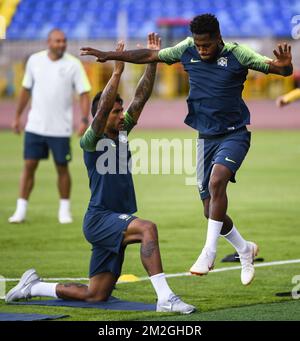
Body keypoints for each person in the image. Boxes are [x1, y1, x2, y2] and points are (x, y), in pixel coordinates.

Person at [80, 13, 293, 285]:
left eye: (207, 45)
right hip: (205, 138)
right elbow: (150, 55)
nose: (202, 50)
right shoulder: (186, 49)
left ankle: (209, 252)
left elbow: (279, 69)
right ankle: (244, 249)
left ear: (218, 39)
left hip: (235, 134)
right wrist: (111, 55)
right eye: (198, 45)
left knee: (218, 182)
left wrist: (285, 67)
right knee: (209, 209)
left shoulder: (239, 54)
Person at [6, 35, 196, 314]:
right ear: (101, 115)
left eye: (121, 111)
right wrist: (116, 72)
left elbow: (141, 97)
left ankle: (33, 287)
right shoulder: (90, 140)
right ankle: (166, 298)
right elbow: (103, 106)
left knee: (96, 295)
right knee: (147, 229)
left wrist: (153, 62)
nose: (121, 115)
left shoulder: (121, 133)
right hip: (100, 218)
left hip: (112, 218)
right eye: (116, 111)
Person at [9, 29, 91, 224]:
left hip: (60, 128)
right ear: (48, 42)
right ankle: (20, 210)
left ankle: (64, 210)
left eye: (64, 41)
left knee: (62, 167)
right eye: (57, 41)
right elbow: (25, 90)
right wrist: (17, 117)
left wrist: (84, 120)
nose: (61, 44)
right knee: (29, 166)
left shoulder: (73, 64)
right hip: (35, 125)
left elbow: (84, 93)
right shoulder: (34, 61)